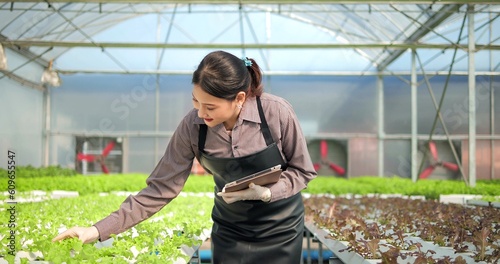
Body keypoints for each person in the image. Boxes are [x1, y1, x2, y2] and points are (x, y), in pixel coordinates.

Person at [52, 50, 317, 264]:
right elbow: (159, 189)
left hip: (280, 229)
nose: (201, 113)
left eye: (210, 106)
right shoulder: (193, 127)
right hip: (231, 231)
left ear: (238, 98)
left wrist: (269, 192)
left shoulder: (276, 113)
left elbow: (303, 170)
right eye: (195, 102)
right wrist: (96, 230)